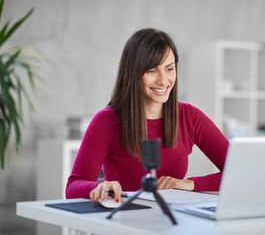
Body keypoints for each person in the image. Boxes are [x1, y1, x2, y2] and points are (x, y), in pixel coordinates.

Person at [65, 28, 229, 205]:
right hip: (124, 222)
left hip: (172, 224)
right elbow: (73, 187)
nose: (163, 80)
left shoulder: (189, 116)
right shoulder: (107, 121)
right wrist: (100, 187)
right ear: (134, 73)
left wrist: (190, 184)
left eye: (169, 69)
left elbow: (238, 171)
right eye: (152, 71)